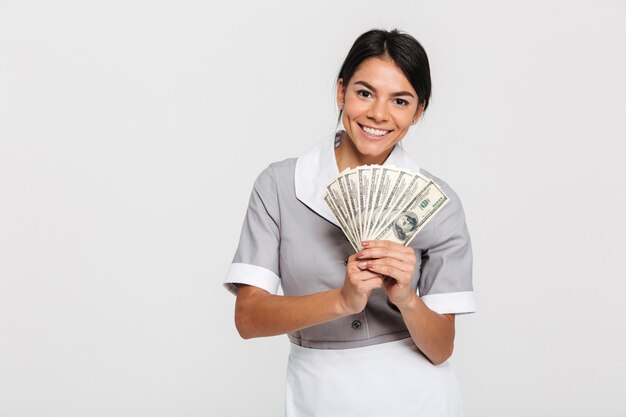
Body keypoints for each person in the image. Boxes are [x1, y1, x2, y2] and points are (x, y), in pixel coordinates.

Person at [224, 28, 476, 417]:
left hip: (417, 397)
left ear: (419, 110)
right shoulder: (278, 186)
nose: (378, 113)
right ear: (341, 91)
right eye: (364, 92)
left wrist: (407, 298)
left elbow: (441, 347)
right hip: (318, 392)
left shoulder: (436, 202)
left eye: (400, 100)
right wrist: (342, 300)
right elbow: (248, 318)